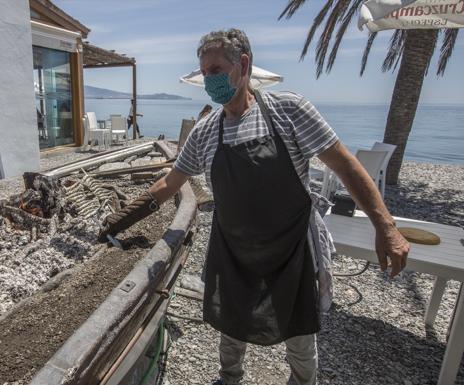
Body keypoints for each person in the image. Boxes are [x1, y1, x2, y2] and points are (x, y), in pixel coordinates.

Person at [100, 29, 409, 385]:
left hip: (290, 250)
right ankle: (229, 378)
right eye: (204, 72)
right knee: (230, 324)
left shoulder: (288, 111)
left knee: (299, 330)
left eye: (216, 69)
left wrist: (385, 226)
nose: (208, 80)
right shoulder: (206, 132)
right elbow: (170, 183)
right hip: (232, 249)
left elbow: (345, 166)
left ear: (243, 64)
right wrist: (120, 220)